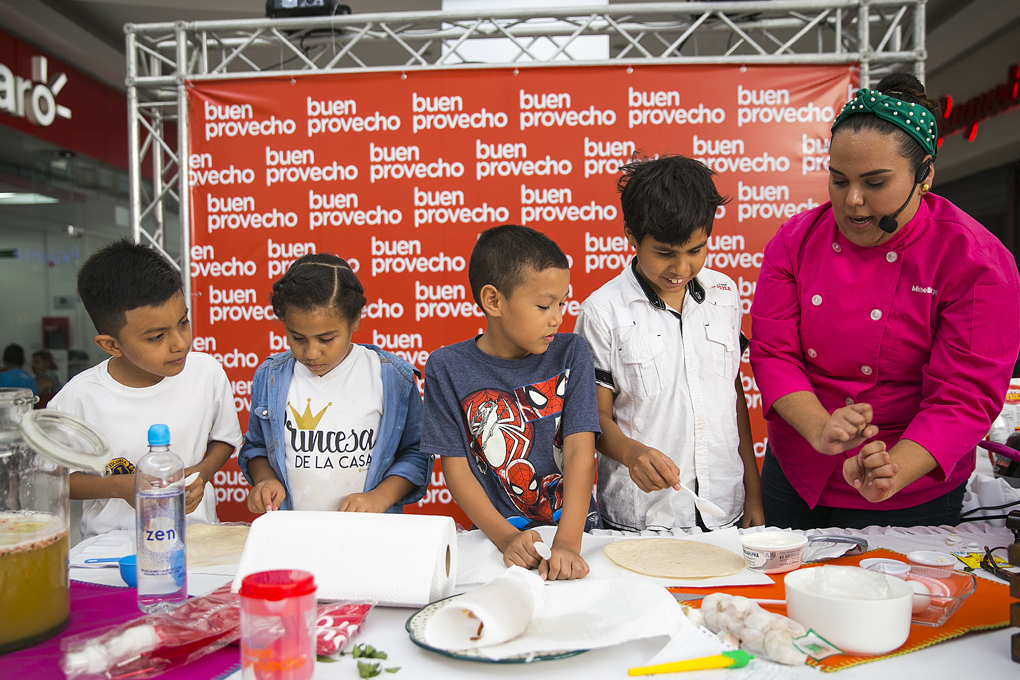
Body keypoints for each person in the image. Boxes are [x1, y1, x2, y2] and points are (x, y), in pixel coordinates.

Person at [749, 74, 1020, 530]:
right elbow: (774, 351)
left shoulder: (977, 262)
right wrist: (819, 427)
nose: (852, 201)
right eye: (838, 180)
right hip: (798, 469)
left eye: (875, 182)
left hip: (909, 483)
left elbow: (964, 395)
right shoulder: (795, 240)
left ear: (926, 174)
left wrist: (894, 469)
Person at [575, 155, 763, 532]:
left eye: (696, 250)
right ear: (631, 235)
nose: (680, 268)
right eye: (664, 253)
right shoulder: (602, 312)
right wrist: (632, 453)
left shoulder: (725, 293)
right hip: (640, 519)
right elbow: (594, 417)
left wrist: (753, 491)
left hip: (724, 510)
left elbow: (732, 394)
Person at [421, 225, 601, 581]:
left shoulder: (572, 353)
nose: (557, 317)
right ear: (493, 301)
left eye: (562, 302)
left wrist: (567, 543)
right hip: (495, 541)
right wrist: (505, 538)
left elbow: (581, 450)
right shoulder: (446, 368)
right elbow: (457, 471)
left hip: (578, 534)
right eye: (544, 305)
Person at [48, 239, 242, 539]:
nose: (180, 343)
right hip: (109, 548)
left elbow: (224, 438)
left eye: (183, 322)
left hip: (194, 537)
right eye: (156, 337)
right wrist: (118, 486)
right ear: (111, 345)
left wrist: (201, 472)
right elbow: (54, 480)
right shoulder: (78, 399)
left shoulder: (206, 373)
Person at [239, 253, 430, 515]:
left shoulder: (392, 378)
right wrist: (264, 480)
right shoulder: (270, 376)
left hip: (369, 536)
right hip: (294, 532)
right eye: (297, 338)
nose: (311, 353)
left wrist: (380, 497)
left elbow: (415, 453)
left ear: (355, 320)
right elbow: (256, 447)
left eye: (326, 339)